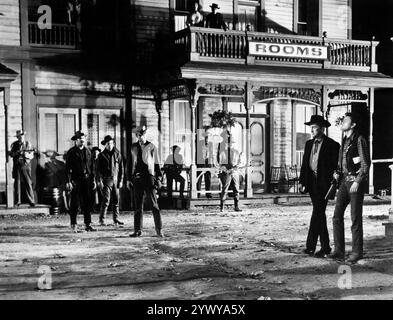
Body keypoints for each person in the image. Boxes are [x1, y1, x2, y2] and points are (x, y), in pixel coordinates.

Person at [329, 113, 371, 263]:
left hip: (355, 183)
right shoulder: (344, 140)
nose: (342, 122)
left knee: (355, 218)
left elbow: (366, 164)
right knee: (336, 216)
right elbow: (342, 163)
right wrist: (337, 173)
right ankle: (339, 250)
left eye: (345, 120)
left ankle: (356, 252)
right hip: (344, 182)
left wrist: (358, 181)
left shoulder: (359, 139)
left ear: (353, 125)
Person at [299, 115, 340, 258]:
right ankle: (320, 247)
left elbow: (335, 166)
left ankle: (319, 246)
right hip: (311, 183)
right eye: (310, 127)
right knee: (318, 213)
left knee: (318, 212)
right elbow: (305, 164)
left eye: (314, 127)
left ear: (322, 129)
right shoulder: (309, 144)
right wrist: (302, 182)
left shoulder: (332, 145)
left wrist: (333, 184)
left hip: (324, 184)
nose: (311, 130)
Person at [127, 126, 164, 237]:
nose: (141, 137)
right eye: (139, 135)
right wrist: (129, 179)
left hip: (149, 178)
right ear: (137, 136)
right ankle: (137, 230)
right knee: (138, 206)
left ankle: (159, 229)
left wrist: (158, 178)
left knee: (154, 205)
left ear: (145, 135)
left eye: (143, 135)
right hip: (137, 179)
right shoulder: (133, 147)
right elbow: (129, 164)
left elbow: (157, 164)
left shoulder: (152, 147)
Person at [65, 131, 96, 233]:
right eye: (80, 140)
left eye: (83, 140)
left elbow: (92, 168)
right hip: (76, 181)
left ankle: (88, 224)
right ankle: (73, 224)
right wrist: (68, 181)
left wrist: (93, 180)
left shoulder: (88, 152)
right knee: (74, 203)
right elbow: (67, 169)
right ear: (76, 140)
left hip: (86, 180)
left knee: (87, 203)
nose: (82, 142)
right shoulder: (71, 152)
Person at [97, 136, 124, 226]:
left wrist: (121, 180)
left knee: (116, 200)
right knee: (106, 200)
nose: (110, 145)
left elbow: (121, 168)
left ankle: (116, 219)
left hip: (116, 179)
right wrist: (99, 180)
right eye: (108, 144)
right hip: (106, 180)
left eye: (111, 143)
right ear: (105, 145)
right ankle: (102, 220)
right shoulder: (101, 156)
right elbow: (98, 170)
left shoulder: (117, 153)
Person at [216, 132, 244, 212]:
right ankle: (222, 207)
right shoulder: (222, 152)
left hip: (234, 172)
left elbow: (239, 162)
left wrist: (235, 168)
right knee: (225, 189)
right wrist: (224, 169)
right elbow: (219, 163)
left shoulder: (236, 152)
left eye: (232, 143)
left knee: (236, 189)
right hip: (226, 173)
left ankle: (236, 206)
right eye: (229, 143)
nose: (230, 144)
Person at [9, 130, 35, 207]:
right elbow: (11, 154)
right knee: (17, 183)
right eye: (19, 136)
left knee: (28, 182)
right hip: (17, 165)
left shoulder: (28, 144)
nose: (21, 137)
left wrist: (25, 154)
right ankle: (17, 201)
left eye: (22, 135)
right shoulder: (14, 144)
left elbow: (31, 155)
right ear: (17, 137)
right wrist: (16, 153)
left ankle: (31, 201)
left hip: (25, 165)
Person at [196, 131, 214, 198]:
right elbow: (197, 153)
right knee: (199, 179)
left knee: (208, 179)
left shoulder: (210, 144)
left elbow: (212, 154)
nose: (207, 138)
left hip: (208, 163)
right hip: (201, 163)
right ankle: (197, 193)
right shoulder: (200, 143)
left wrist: (212, 163)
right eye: (206, 137)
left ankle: (208, 193)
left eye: (208, 137)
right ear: (204, 137)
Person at [91, 146, 102, 213]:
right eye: (94, 152)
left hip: (99, 179)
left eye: (97, 152)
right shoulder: (91, 161)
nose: (95, 154)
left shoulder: (101, 160)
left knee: (101, 193)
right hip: (92, 179)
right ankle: (93, 207)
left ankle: (100, 207)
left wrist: (100, 179)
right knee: (92, 194)